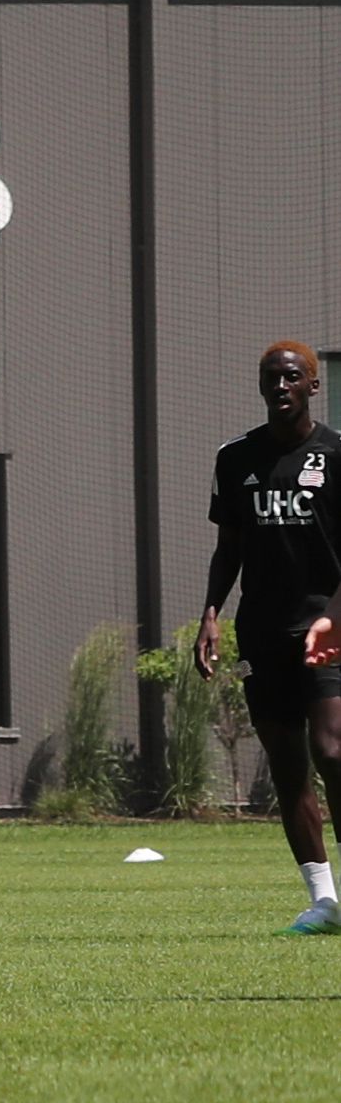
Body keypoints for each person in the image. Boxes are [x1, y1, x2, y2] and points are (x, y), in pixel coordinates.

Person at [203, 341, 341, 933]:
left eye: (290, 377)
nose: (279, 386)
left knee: (332, 751)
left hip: (329, 627)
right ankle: (324, 902)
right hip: (262, 630)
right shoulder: (236, 458)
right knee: (288, 766)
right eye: (269, 378)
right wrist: (210, 613)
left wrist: (333, 616)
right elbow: (229, 547)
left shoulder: (337, 454)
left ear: (313, 385)